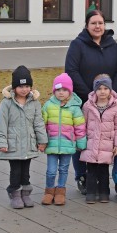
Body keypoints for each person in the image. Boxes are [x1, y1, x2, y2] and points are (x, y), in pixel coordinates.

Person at [65, 10, 117, 195]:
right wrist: (91, 96)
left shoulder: (112, 45)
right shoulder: (77, 45)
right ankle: (82, 176)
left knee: (103, 139)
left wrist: (110, 95)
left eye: (100, 23)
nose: (97, 26)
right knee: (83, 138)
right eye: (93, 23)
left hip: (107, 104)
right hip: (84, 102)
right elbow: (71, 71)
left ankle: (99, 177)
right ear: (86, 25)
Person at [0, 66, 47, 209]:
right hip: (13, 144)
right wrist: (1, 142)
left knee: (26, 172)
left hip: (29, 143)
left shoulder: (34, 103)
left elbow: (38, 122)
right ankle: (15, 193)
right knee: (15, 171)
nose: (24, 89)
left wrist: (42, 141)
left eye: (27, 86)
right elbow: (1, 124)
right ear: (14, 87)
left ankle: (25, 194)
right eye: (21, 86)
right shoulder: (7, 103)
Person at [40, 73, 86, 206]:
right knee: (51, 171)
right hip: (52, 144)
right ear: (54, 90)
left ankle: (60, 191)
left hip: (68, 144)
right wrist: (41, 141)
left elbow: (80, 127)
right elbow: (42, 125)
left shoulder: (75, 108)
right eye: (58, 90)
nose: (61, 93)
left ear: (70, 91)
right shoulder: (48, 106)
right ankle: (49, 191)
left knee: (64, 169)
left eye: (64, 90)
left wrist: (81, 143)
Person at [80, 74, 117, 203]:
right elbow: (82, 124)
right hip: (91, 143)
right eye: (99, 89)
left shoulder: (116, 108)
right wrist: (81, 141)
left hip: (106, 144)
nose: (102, 91)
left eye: (105, 88)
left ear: (110, 90)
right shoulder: (88, 106)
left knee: (104, 170)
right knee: (91, 169)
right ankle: (91, 192)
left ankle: (104, 192)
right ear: (95, 90)